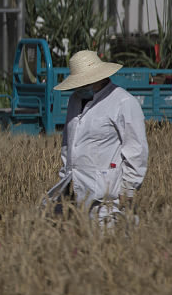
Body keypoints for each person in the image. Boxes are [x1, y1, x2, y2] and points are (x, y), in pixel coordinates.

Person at [48, 50, 148, 222]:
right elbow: (68, 144)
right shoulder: (74, 100)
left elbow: (136, 150)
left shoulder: (123, 102)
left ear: (99, 77)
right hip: (75, 192)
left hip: (108, 195)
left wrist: (129, 190)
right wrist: (65, 180)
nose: (80, 87)